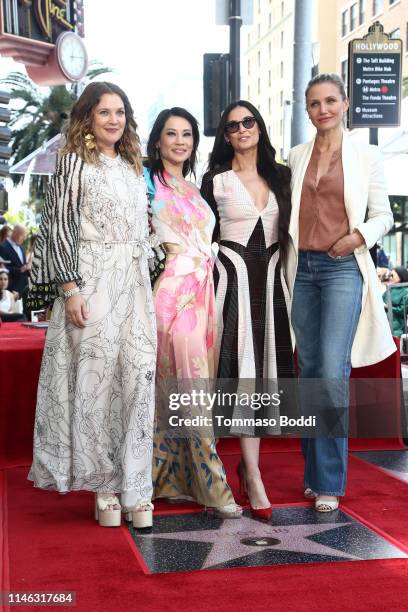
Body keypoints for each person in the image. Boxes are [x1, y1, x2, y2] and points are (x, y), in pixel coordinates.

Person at [28, 82, 157, 529]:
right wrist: (70, 289)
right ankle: (105, 486)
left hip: (135, 287)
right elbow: (58, 227)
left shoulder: (130, 165)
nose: (114, 119)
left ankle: (137, 485)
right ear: (87, 117)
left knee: (139, 379)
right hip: (93, 282)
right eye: (104, 112)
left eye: (120, 111)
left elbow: (141, 228)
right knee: (98, 387)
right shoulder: (71, 163)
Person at [287, 73, 395, 512]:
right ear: (307, 110)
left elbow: (383, 215)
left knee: (331, 371)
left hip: (342, 269)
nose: (323, 109)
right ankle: (315, 471)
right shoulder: (295, 155)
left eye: (331, 100)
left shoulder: (366, 155)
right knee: (309, 370)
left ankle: (328, 480)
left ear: (345, 104)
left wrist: (357, 236)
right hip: (301, 269)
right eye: (314, 103)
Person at [201, 100, 295, 520]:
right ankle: (250, 474)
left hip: (273, 285)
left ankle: (249, 467)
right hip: (230, 286)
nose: (242, 129)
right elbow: (198, 235)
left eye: (248, 121)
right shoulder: (215, 181)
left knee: (262, 373)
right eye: (233, 125)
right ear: (225, 135)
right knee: (238, 372)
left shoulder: (282, 177)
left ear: (259, 126)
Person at [146, 107, 242, 518]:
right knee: (184, 384)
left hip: (204, 295)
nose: (180, 141)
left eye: (187, 134)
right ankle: (210, 484)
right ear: (157, 141)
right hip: (171, 294)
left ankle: (171, 479)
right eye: (172, 133)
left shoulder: (194, 188)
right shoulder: (145, 184)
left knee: (187, 382)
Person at [0, 224, 30, 298]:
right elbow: (3, 269)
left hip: (23, 290)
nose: (24, 239)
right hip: (11, 291)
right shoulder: (3, 247)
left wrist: (29, 267)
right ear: (15, 233)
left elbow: (23, 265)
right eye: (23, 236)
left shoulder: (21, 247)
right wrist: (19, 270)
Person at [383, 266, 408, 337]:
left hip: (397, 329)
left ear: (401, 275)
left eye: (392, 275)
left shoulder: (406, 291)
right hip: (385, 326)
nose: (390, 277)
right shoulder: (390, 288)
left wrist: (389, 308)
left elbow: (403, 310)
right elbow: (381, 301)